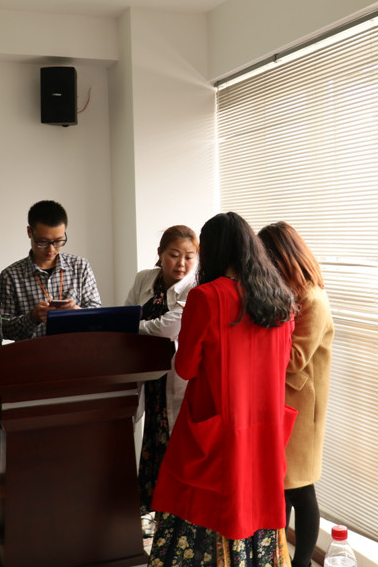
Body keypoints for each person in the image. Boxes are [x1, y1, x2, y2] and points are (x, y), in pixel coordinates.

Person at [149, 211, 296, 567]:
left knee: (206, 509)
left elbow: (185, 368)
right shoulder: (280, 299)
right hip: (265, 433)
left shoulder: (206, 297)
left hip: (218, 431)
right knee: (257, 505)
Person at [258, 221, 334, 567]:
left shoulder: (313, 299)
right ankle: (284, 560)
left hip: (303, 407)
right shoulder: (291, 294)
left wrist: (257, 344)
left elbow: (295, 358)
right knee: (287, 486)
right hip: (286, 402)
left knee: (298, 487)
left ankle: (300, 562)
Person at [123, 225, 198, 518]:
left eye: (189, 257)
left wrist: (135, 328)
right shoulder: (145, 278)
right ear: (160, 253)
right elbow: (125, 315)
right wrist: (135, 327)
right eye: (174, 255)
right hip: (146, 375)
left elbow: (167, 329)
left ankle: (173, 517)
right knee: (152, 439)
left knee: (173, 443)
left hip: (175, 375)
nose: (182, 264)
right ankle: (154, 515)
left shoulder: (195, 287)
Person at [0, 200, 101, 341]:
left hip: (76, 350)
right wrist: (32, 318)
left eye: (58, 241)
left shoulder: (80, 266)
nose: (51, 249)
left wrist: (77, 311)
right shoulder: (10, 276)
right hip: (33, 353)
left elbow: (97, 316)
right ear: (29, 232)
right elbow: (3, 328)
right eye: (43, 242)